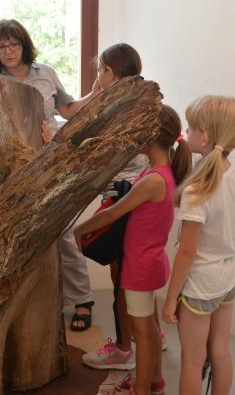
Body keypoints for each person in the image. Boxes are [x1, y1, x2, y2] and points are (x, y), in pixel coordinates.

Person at [0, 19, 101, 331]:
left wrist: (100, 90)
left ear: (24, 45)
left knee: (63, 233)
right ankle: (23, 305)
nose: (8, 51)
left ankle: (81, 300)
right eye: (2, 46)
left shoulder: (44, 72)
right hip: (7, 170)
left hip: (49, 161)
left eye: (13, 45)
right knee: (14, 234)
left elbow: (69, 108)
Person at [74, 105, 191, 395]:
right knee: (149, 330)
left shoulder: (153, 179)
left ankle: (140, 389)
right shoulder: (161, 173)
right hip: (149, 261)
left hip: (140, 266)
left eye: (140, 129)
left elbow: (113, 213)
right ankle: (155, 381)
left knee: (142, 334)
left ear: (150, 137)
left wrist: (80, 229)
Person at [79, 43, 169, 373]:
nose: (97, 76)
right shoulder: (141, 102)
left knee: (122, 280)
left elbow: (104, 151)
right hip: (136, 194)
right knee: (136, 280)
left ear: (111, 72)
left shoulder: (124, 111)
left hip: (124, 197)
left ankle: (124, 348)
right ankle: (151, 335)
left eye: (100, 70)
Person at [161, 95, 235, 395]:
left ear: (205, 137)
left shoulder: (198, 189)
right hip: (227, 277)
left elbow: (187, 251)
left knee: (193, 360)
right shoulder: (234, 176)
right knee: (221, 351)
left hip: (200, 285)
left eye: (192, 126)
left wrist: (171, 299)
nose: (187, 131)